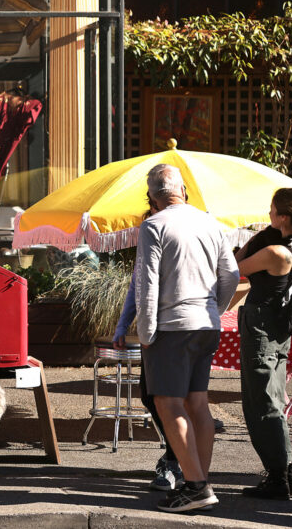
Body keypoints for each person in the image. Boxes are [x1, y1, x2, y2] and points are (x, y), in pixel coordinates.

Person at [134, 164, 239, 513]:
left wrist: (145, 333)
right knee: (197, 403)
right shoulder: (210, 222)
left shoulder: (154, 225)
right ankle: (199, 482)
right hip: (205, 323)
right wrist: (215, 308)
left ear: (152, 197)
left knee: (169, 404)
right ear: (182, 190)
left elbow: (146, 284)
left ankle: (195, 486)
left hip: (172, 326)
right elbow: (231, 274)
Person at [235, 188, 292, 500]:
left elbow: (235, 267)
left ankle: (278, 477)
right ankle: (285, 474)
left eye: (272, 210)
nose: (268, 214)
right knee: (270, 399)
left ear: (283, 216)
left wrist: (255, 239)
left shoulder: (275, 251)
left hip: (262, 327)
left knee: (262, 403)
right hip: (277, 328)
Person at [112, 200, 183, 492]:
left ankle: (177, 464)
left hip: (174, 329)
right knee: (153, 397)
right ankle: (178, 461)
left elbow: (226, 273)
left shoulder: (188, 230)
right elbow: (137, 286)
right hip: (160, 330)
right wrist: (124, 325)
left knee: (173, 399)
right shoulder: (152, 231)